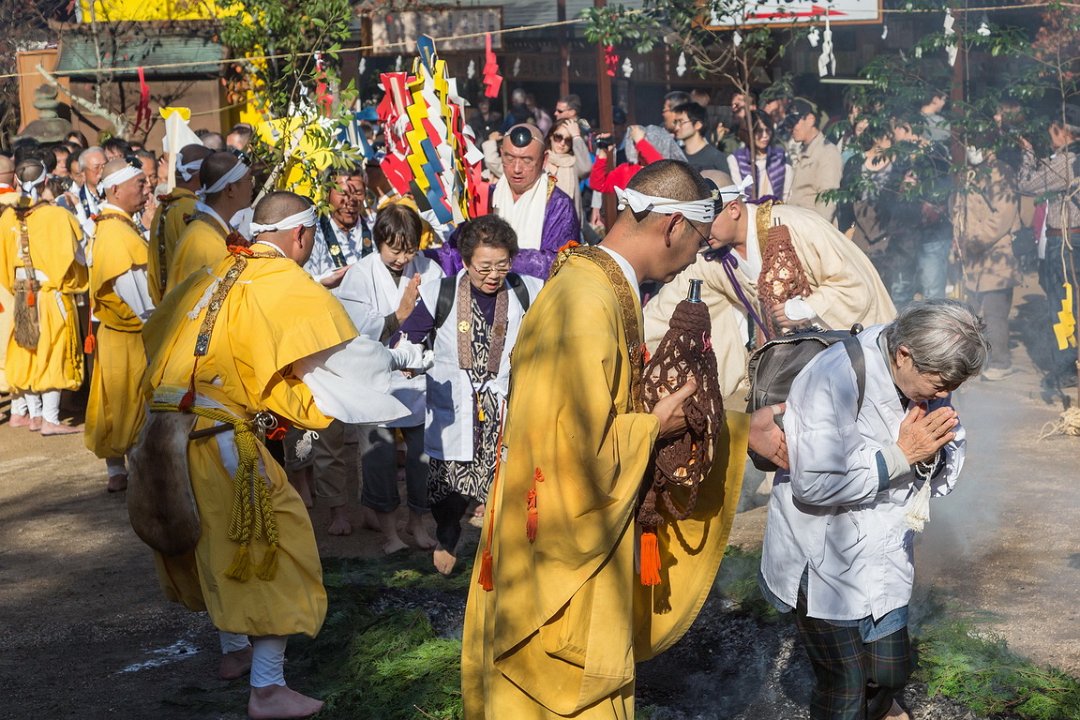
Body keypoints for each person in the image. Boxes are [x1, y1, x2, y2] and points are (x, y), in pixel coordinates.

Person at [461, 161, 744, 718]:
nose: (694, 256)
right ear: (671, 227)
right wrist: (656, 427)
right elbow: (583, 456)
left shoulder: (591, 283)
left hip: (543, 530)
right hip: (562, 549)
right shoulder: (586, 303)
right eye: (695, 241)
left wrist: (736, 430)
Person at [138, 190, 427, 720]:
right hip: (218, 440)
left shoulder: (213, 273)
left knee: (215, 542)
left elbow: (154, 336)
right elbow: (345, 358)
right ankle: (266, 688)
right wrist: (399, 363)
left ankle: (234, 655)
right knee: (276, 544)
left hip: (161, 434)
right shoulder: (284, 283)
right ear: (302, 236)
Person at [759, 299, 988, 720]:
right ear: (904, 356)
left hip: (886, 550)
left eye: (952, 386)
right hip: (826, 556)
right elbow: (815, 485)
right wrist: (901, 455)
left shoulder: (928, 376)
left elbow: (944, 463)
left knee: (890, 672)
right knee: (844, 687)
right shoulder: (833, 378)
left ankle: (884, 708)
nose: (944, 395)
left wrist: (925, 456)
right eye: (940, 383)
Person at [644, 179, 896, 407]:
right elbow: (672, 301)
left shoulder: (795, 225)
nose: (703, 230)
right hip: (792, 371)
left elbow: (854, 283)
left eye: (709, 221)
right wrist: (638, 337)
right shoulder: (714, 255)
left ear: (733, 209)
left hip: (844, 359)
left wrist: (806, 308)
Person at [396, 215, 542, 575]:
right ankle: (448, 534)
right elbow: (407, 340)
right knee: (449, 485)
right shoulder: (440, 293)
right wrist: (410, 361)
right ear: (465, 262)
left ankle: (504, 554)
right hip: (456, 405)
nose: (493, 275)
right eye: (484, 267)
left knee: (508, 485)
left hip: (505, 402)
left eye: (502, 265)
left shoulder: (529, 290)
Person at [336, 203, 444, 545]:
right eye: (394, 250)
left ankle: (417, 521)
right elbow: (358, 330)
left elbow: (438, 323)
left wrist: (424, 356)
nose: (401, 258)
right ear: (377, 241)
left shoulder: (429, 269)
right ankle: (389, 530)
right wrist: (400, 314)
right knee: (379, 457)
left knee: (421, 456)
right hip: (376, 379)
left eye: (408, 250)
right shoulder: (360, 274)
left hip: (418, 377)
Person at [0, 160, 87, 435]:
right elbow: (80, 254)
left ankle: (32, 414)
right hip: (49, 293)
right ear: (45, 182)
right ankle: (49, 418)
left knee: (27, 349)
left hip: (21, 289)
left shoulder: (7, 218)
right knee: (53, 350)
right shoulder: (57, 215)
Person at [84, 157, 154, 492]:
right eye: (139, 184)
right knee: (131, 405)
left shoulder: (113, 226)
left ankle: (121, 470)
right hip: (130, 336)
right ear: (115, 190)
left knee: (118, 403)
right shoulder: (115, 233)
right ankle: (138, 472)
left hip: (117, 335)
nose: (147, 187)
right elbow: (141, 303)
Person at [432, 124, 579, 280]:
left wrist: (494, 258)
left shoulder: (559, 204)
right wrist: (422, 258)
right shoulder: (486, 197)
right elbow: (457, 251)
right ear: (501, 153)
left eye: (527, 160)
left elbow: (560, 262)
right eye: (509, 158)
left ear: (544, 160)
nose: (516, 168)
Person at [1017, 104, 1080, 392]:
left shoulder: (1066, 162)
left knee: (1062, 303)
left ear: (1065, 133)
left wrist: (1028, 153)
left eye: (1053, 130)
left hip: (1066, 240)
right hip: (1069, 239)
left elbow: (1027, 184)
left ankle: (1066, 367)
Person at [953, 141, 1021, 380]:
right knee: (973, 313)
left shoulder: (1001, 171)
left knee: (995, 312)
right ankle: (977, 362)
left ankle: (1001, 362)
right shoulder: (969, 173)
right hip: (972, 258)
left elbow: (1003, 215)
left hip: (997, 254)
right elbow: (960, 211)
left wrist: (976, 239)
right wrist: (958, 241)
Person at [166, 151, 252, 293]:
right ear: (230, 189)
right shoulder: (202, 241)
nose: (252, 186)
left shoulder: (212, 230)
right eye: (249, 180)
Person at [147, 144, 212, 303]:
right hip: (188, 309)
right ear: (199, 174)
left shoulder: (163, 207)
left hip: (168, 309)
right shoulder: (194, 210)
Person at [304, 165, 374, 289]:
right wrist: (324, 281)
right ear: (327, 194)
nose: (350, 200)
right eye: (343, 193)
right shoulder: (314, 234)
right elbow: (305, 282)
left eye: (357, 192)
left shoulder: (375, 228)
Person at [787, 98, 844, 223]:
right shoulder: (802, 151)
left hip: (813, 231)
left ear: (811, 120)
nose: (791, 128)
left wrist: (815, 236)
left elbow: (827, 202)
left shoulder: (827, 152)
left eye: (795, 122)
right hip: (798, 227)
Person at [727, 110, 793, 201]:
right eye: (759, 131)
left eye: (767, 130)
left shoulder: (781, 157)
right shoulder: (736, 160)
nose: (765, 136)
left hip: (777, 211)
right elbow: (739, 195)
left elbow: (786, 194)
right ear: (749, 133)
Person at [543, 118, 593, 222]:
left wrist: (576, 137)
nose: (562, 143)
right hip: (541, 223)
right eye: (558, 137)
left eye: (568, 140)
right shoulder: (541, 159)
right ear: (551, 136)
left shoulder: (572, 162)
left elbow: (586, 169)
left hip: (568, 224)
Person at [672, 101, 728, 173]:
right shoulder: (676, 156)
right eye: (675, 122)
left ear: (697, 125)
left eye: (681, 122)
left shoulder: (715, 157)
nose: (676, 127)